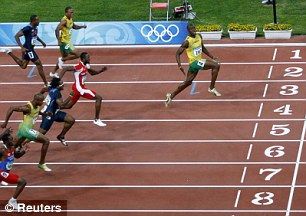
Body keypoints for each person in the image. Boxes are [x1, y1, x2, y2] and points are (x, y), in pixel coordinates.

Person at [165, 23, 221, 107]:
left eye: (194, 28)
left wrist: (212, 57)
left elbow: (203, 48)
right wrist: (179, 65)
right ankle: (211, 88)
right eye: (191, 29)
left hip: (198, 62)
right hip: (194, 63)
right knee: (216, 65)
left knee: (188, 82)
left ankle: (171, 96)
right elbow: (177, 53)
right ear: (188, 31)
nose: (194, 30)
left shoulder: (199, 36)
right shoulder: (187, 41)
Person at [1, 93, 52, 172]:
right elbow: (12, 108)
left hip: (23, 130)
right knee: (46, 141)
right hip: (25, 130)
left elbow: (36, 112)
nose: (42, 102)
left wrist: (45, 114)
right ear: (37, 100)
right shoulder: (27, 107)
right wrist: (5, 122)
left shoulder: (37, 106)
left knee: (12, 149)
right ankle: (41, 163)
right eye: (41, 101)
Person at [59, 52, 107, 127]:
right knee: (99, 98)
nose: (89, 58)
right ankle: (96, 120)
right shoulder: (78, 66)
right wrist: (57, 80)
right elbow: (65, 69)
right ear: (83, 59)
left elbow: (92, 73)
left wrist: (101, 70)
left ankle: (51, 108)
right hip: (80, 89)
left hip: (76, 88)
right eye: (88, 57)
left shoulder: (85, 66)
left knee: (68, 106)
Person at [0, 15, 48, 86]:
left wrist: (41, 42)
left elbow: (35, 36)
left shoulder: (35, 28)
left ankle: (9, 52)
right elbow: (16, 36)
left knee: (23, 66)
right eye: (37, 20)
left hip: (30, 48)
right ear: (33, 21)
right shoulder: (27, 28)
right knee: (38, 64)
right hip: (28, 49)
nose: (39, 21)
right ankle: (46, 83)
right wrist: (21, 47)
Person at [50, 6, 87, 77]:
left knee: (64, 58)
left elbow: (74, 26)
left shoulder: (70, 19)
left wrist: (82, 26)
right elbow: (57, 29)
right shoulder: (64, 21)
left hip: (67, 41)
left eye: (73, 12)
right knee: (77, 54)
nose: (72, 13)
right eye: (71, 12)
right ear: (66, 13)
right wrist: (58, 41)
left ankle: (53, 73)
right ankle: (61, 59)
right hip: (64, 41)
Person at [39, 77, 75, 146]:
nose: (63, 85)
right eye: (62, 84)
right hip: (48, 114)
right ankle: (23, 143)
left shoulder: (50, 88)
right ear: (58, 86)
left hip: (55, 112)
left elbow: (43, 89)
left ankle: (61, 136)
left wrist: (39, 96)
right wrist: (70, 96)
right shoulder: (57, 93)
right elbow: (61, 105)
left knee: (71, 120)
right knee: (39, 134)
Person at [0, 128, 27, 210]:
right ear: (6, 141)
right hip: (1, 173)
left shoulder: (12, 147)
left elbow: (17, 156)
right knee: (22, 182)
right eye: (10, 139)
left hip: (4, 174)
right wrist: (4, 132)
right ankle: (12, 201)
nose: (13, 140)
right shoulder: (2, 149)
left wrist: (24, 151)